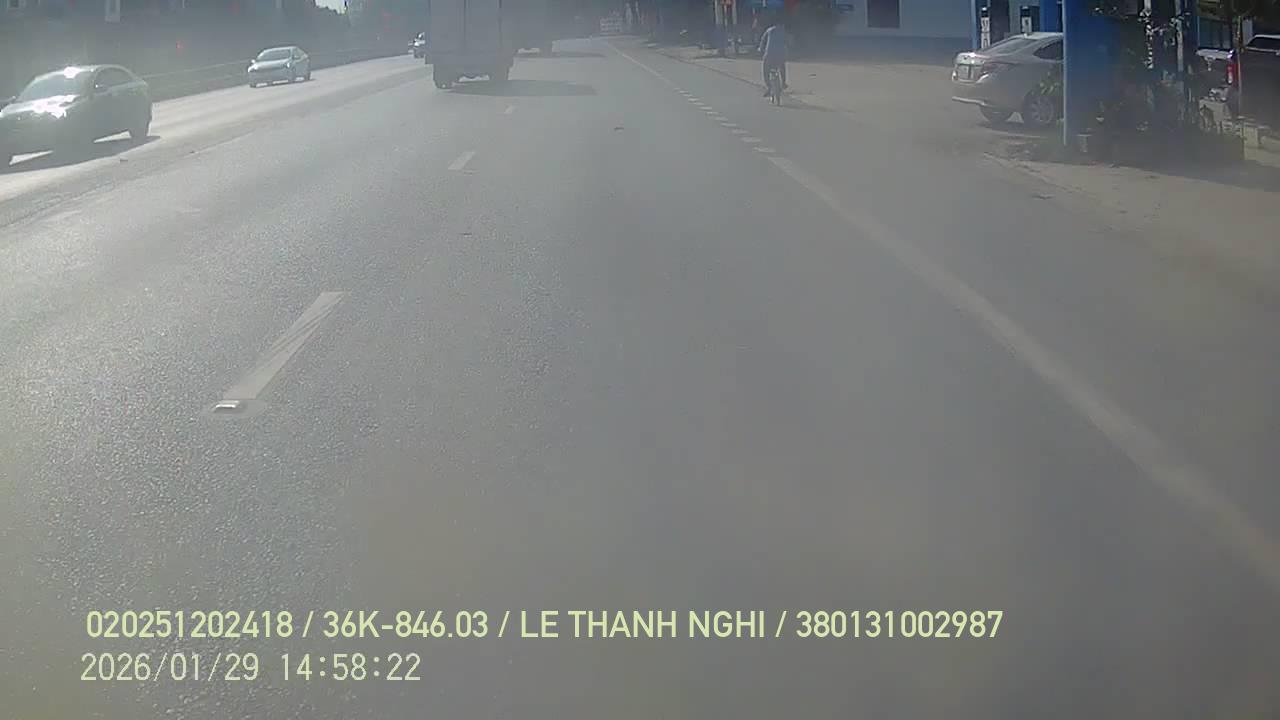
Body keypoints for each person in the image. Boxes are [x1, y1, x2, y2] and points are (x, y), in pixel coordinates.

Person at [758, 18, 787, 97]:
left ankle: (769, 87)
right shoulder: (783, 31)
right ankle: (783, 83)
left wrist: (760, 48)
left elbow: (762, 40)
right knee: (782, 66)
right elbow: (786, 42)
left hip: (769, 54)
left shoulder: (769, 30)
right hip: (780, 54)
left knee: (765, 70)